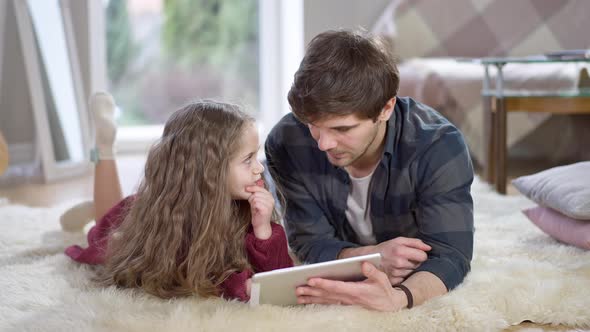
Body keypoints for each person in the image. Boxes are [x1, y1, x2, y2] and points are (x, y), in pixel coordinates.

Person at [265, 30, 474, 311]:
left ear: (386, 108)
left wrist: (398, 299)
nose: (323, 143)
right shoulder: (287, 141)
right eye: (312, 124)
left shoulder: (438, 146)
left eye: (343, 128)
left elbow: (450, 255)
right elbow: (308, 242)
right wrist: (371, 257)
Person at [62, 93, 293, 301]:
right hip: (130, 215)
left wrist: (264, 230)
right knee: (105, 228)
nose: (259, 169)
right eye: (248, 159)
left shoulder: (247, 204)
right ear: (209, 169)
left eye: (256, 157)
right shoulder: (172, 220)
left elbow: (281, 274)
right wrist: (238, 286)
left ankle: (91, 206)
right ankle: (104, 148)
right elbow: (181, 276)